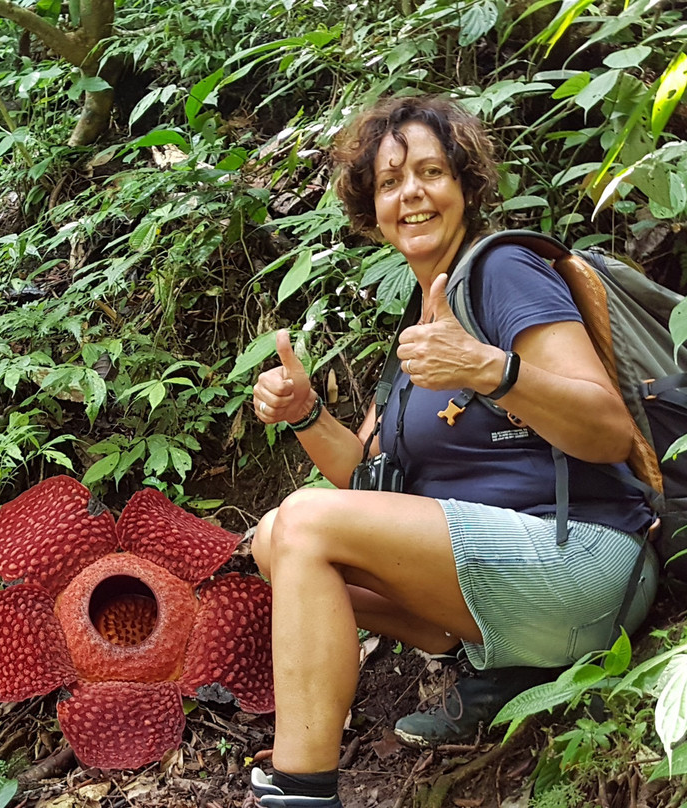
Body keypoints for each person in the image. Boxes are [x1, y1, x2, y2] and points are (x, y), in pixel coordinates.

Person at [247, 95, 657, 807]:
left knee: (306, 520)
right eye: (389, 181)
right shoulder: (415, 336)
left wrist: (487, 368)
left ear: (465, 185)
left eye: (431, 172)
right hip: (509, 583)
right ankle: (498, 668)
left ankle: (301, 789)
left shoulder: (503, 275)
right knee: (278, 538)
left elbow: (607, 429)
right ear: (371, 210)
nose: (410, 193)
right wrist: (307, 413)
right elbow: (364, 489)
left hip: (588, 563)